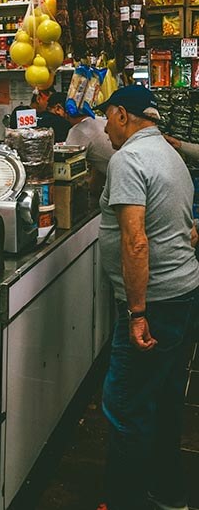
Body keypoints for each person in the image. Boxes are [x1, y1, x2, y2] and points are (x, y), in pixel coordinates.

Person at [96, 85, 199, 510]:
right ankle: (167, 491)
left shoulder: (130, 158)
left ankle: (123, 500)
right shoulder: (168, 152)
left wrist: (137, 314)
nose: (103, 128)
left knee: (126, 406)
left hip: (154, 304)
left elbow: (134, 241)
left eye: (107, 117)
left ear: (122, 115)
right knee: (165, 398)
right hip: (183, 294)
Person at [65, 106, 115, 202]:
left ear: (67, 115)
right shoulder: (100, 120)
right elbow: (100, 160)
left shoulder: (77, 131)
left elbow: (73, 170)